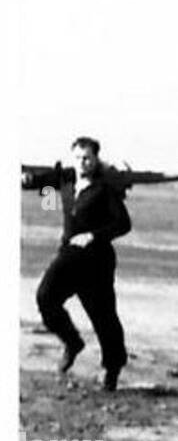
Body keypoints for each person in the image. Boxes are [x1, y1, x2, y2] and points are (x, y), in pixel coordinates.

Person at [34, 136, 131, 390]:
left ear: (96, 159)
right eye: (78, 157)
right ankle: (72, 342)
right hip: (68, 257)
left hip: (96, 261)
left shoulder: (104, 187)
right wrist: (28, 181)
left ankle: (112, 371)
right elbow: (41, 181)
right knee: (45, 298)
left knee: (104, 318)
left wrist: (94, 235)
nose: (82, 163)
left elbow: (123, 223)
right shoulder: (65, 179)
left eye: (87, 158)